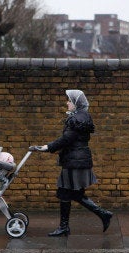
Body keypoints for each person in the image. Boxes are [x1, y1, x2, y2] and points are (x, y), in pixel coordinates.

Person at [32, 90, 113, 236]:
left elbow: (66, 139)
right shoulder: (82, 117)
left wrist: (47, 147)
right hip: (77, 160)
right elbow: (72, 140)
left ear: (76, 103)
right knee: (71, 193)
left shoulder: (76, 119)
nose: (67, 103)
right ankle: (100, 215)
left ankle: (69, 226)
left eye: (69, 100)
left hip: (74, 162)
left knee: (67, 192)